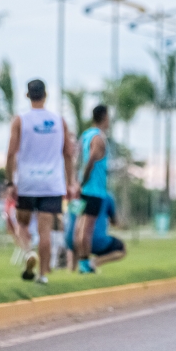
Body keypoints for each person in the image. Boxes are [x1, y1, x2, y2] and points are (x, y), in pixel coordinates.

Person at [5, 79, 74, 284]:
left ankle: (28, 253)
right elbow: (68, 153)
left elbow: (11, 153)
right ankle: (43, 275)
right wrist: (70, 182)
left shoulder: (20, 120)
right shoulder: (59, 121)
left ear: (28, 95)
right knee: (45, 232)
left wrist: (10, 182)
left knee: (22, 225)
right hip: (52, 184)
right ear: (46, 95)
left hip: (27, 183)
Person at [74, 104, 111, 275]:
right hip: (94, 190)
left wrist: (77, 181)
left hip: (85, 188)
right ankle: (84, 264)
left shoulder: (85, 135)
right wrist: (83, 180)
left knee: (80, 225)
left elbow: (77, 159)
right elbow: (90, 160)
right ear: (104, 117)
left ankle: (81, 262)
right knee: (87, 228)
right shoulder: (98, 138)